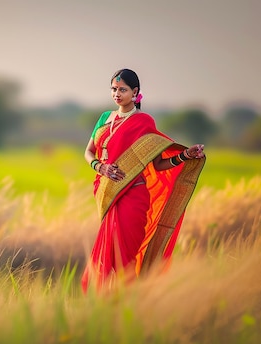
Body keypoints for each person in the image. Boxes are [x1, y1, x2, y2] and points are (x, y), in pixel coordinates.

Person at [81, 68, 206, 293]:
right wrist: (101, 167)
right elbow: (89, 152)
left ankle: (127, 306)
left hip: (133, 197)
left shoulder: (143, 121)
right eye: (114, 89)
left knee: (124, 257)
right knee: (105, 256)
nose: (117, 94)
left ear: (135, 92)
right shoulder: (103, 118)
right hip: (109, 194)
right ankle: (103, 308)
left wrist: (184, 156)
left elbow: (158, 164)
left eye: (122, 89)